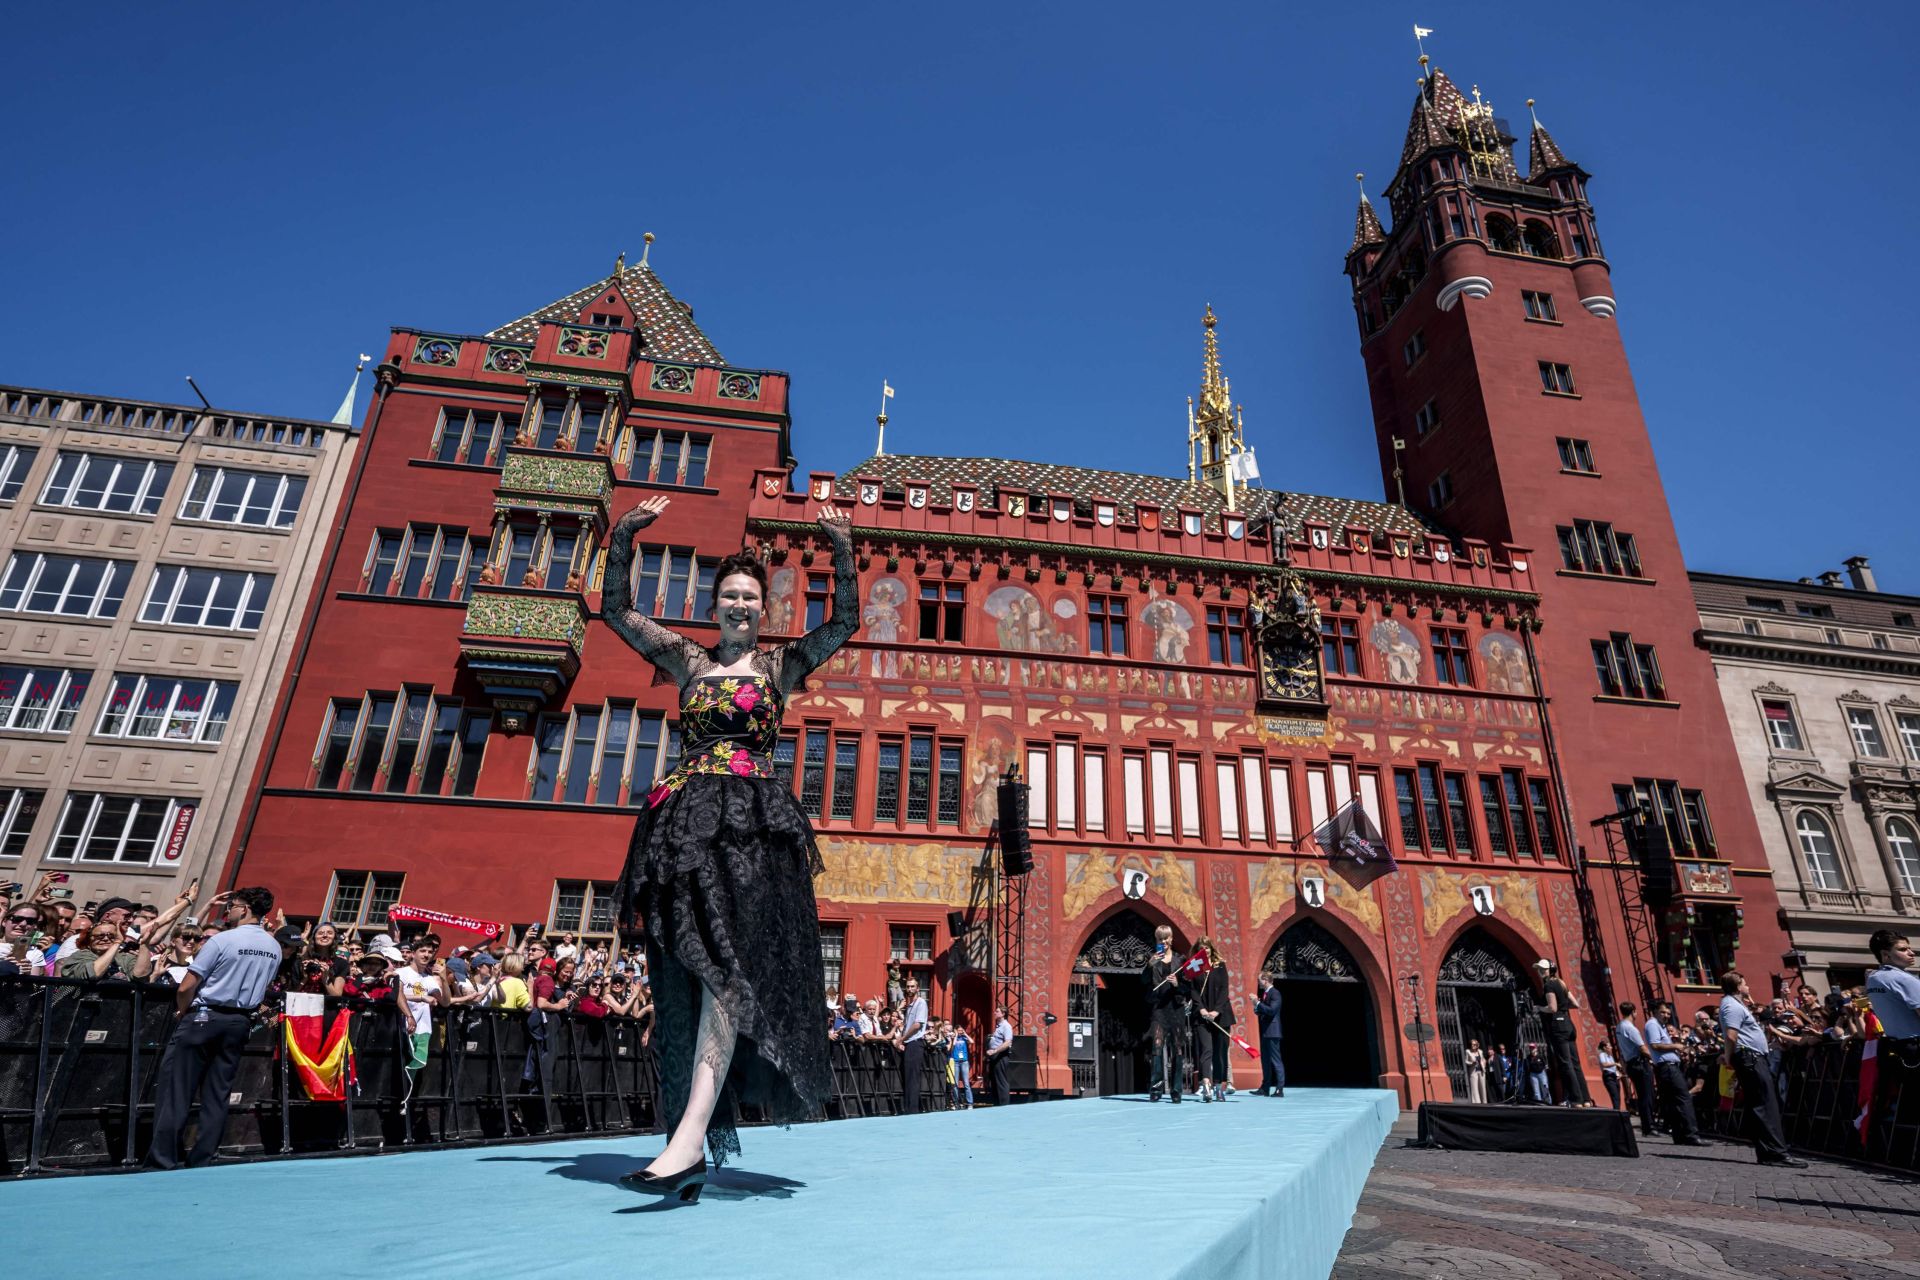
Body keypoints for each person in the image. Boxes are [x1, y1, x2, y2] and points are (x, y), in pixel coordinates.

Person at [609, 497, 859, 1203]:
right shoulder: (687, 661)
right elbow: (617, 610)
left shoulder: (780, 667)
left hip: (752, 830)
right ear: (714, 605)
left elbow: (844, 622)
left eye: (751, 597)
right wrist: (625, 534)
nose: (741, 606)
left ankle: (689, 1138)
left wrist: (842, 549)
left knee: (725, 973)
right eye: (730, 597)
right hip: (686, 825)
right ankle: (686, 1137)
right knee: (688, 973)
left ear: (762, 607)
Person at [146, 888, 281, 1169]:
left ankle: (163, 1158)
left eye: (232, 905)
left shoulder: (223, 939)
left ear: (244, 909)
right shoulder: (273, 946)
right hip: (240, 1020)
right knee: (218, 1093)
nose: (228, 910)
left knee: (177, 1090)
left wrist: (183, 1010)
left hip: (205, 1016)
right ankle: (203, 1156)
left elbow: (187, 985)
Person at [1717, 971, 1804, 1167]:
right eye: (1745, 983)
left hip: (1751, 1057)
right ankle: (1776, 1153)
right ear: (1738, 986)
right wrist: (1728, 1057)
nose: (1748, 987)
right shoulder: (1731, 1005)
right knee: (1766, 1105)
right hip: (1750, 1058)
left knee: (1760, 1104)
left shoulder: (1735, 1004)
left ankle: (1768, 1151)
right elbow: (1731, 1035)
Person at [1533, 958, 1592, 1106]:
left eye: (1543, 969)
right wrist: (1563, 1008)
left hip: (1558, 1025)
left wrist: (1539, 1008)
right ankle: (1586, 1100)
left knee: (1566, 1063)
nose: (1540, 971)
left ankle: (1576, 1099)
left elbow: (1552, 1008)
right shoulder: (1561, 983)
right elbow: (1575, 1004)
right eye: (1539, 969)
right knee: (1575, 1063)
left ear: (1551, 970)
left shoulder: (1549, 985)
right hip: (1568, 1023)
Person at [1644, 999, 1703, 1146]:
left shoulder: (1660, 1026)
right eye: (1663, 1012)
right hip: (1668, 1067)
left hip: (1667, 1067)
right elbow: (1655, 1045)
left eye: (1668, 1013)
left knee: (1673, 1102)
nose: (1666, 1016)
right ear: (1655, 1011)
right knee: (1684, 1098)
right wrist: (1676, 1046)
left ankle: (1679, 1135)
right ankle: (1692, 1134)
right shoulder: (1652, 1024)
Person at [394, 934, 449, 1090]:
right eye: (422, 951)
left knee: (412, 1070)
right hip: (402, 1026)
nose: (426, 955)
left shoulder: (429, 979)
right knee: (397, 1068)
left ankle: (405, 1099)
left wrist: (444, 979)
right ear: (413, 953)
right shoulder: (401, 972)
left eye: (430, 952)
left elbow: (445, 1002)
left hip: (422, 1030)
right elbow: (396, 995)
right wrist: (421, 997)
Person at [1143, 925, 1187, 1102]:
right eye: (1160, 939)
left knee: (1177, 1049)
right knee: (1157, 1047)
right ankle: (1156, 1090)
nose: (1164, 941)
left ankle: (1176, 1091)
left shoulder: (1180, 960)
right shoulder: (1152, 959)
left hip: (1176, 1009)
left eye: (1166, 938)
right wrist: (1149, 966)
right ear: (1157, 941)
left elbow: (1188, 987)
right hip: (1159, 1009)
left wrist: (1177, 984)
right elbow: (1143, 982)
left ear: (1171, 939)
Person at [1190, 936, 1236, 1104]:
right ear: (1197, 951)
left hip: (1221, 1015)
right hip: (1202, 1016)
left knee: (1220, 1052)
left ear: (1211, 949)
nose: (1205, 951)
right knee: (1206, 1050)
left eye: (1207, 947)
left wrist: (1216, 1011)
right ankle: (1206, 1085)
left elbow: (1224, 990)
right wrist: (1201, 1009)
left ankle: (1218, 1087)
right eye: (1201, 948)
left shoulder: (1220, 965)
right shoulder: (1194, 966)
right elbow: (1193, 991)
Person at [1866, 930, 1920, 1040]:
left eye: (1909, 948)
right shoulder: (1904, 979)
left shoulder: (1872, 979)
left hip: (1897, 1043)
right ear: (1885, 954)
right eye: (1903, 949)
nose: (1911, 953)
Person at [1615, 1001, 1656, 1135]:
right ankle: (1649, 1126)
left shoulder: (1619, 1027)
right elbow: (1643, 1048)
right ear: (1633, 1012)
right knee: (1647, 1095)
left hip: (1630, 1063)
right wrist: (1655, 1059)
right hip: (1640, 1063)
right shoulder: (1631, 1028)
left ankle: (1646, 1126)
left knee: (1641, 1095)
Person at [896, 977, 929, 1114]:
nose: (909, 989)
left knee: (913, 1078)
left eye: (912, 986)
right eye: (908, 986)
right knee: (908, 1077)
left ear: (917, 988)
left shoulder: (921, 1003)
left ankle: (912, 1110)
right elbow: (908, 1025)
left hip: (915, 1043)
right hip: (909, 1044)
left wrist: (902, 1039)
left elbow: (916, 1025)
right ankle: (908, 1108)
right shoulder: (909, 1006)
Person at [1253, 970, 1284, 1097]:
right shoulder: (1266, 993)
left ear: (1265, 980)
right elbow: (1264, 1011)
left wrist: (1258, 1003)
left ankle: (1279, 1089)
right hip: (1266, 1031)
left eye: (1259, 980)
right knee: (1265, 1061)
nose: (1258, 982)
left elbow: (1272, 1011)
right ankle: (1265, 1088)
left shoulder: (1275, 993)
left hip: (1273, 1032)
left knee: (1276, 1061)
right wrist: (1257, 1007)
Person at [986, 1005, 1014, 1106]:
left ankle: (1004, 1106)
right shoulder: (998, 1026)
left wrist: (995, 1051)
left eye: (997, 1011)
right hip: (994, 1057)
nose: (995, 1013)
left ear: (1003, 1014)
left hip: (1001, 1056)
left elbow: (1007, 1043)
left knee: (1001, 1082)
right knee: (994, 1081)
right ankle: (997, 1105)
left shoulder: (1006, 1026)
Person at [949, 1020, 974, 1109]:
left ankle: (970, 1103)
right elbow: (953, 1044)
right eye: (958, 1030)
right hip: (955, 1061)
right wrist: (956, 1035)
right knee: (955, 1083)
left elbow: (972, 1041)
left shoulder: (964, 1038)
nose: (960, 1032)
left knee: (966, 1083)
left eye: (961, 1030)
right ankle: (956, 1102)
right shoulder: (953, 1037)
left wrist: (965, 1034)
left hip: (964, 1061)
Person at [1597, 1044, 1623, 1110]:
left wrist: (1618, 1074)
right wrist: (1615, 1063)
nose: (1611, 1048)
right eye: (1609, 1046)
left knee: (1618, 1096)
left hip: (1614, 1076)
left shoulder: (1611, 1057)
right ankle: (1616, 1112)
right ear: (1604, 1048)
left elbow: (1614, 1069)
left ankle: (1617, 1110)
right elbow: (1604, 1064)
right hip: (1608, 1076)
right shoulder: (1602, 1055)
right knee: (1614, 1095)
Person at [1463, 1039, 1489, 1103]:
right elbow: (1466, 1061)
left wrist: (1484, 1062)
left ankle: (1484, 1102)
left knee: (1482, 1087)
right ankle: (1477, 1102)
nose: (1473, 1046)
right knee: (1475, 1087)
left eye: (1474, 1044)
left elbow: (1482, 1059)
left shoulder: (1480, 1051)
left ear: (1477, 1045)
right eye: (1472, 1044)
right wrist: (1471, 1063)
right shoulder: (1468, 1051)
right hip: (1473, 1071)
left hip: (1481, 1071)